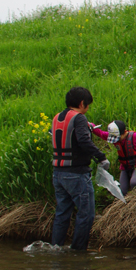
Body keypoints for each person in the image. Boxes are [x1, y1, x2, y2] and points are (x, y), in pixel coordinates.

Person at [50, 86, 109, 251]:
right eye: (88, 105)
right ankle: (78, 251)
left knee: (62, 214)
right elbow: (83, 141)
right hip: (76, 174)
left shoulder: (57, 118)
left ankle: (56, 249)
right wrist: (101, 156)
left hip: (58, 174)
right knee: (86, 214)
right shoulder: (79, 118)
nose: (87, 108)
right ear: (82, 103)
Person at [91, 120, 136, 195]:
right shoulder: (114, 136)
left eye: (118, 137)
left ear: (124, 132)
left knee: (134, 183)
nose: (116, 140)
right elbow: (101, 133)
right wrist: (91, 126)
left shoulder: (134, 136)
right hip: (125, 167)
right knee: (122, 190)